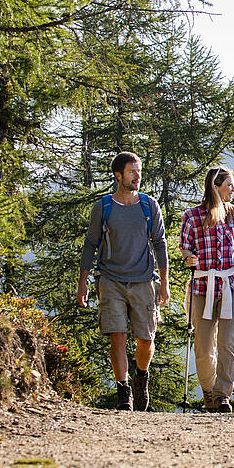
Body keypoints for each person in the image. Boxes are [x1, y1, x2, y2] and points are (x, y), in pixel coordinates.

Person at [78, 152, 170, 411]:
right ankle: (123, 391)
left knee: (146, 338)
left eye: (139, 171)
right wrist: (83, 282)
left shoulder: (149, 206)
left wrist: (164, 282)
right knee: (117, 336)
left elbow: (160, 243)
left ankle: (141, 377)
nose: (137, 176)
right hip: (111, 280)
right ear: (118, 175)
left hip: (143, 280)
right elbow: (90, 244)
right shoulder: (103, 207)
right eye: (132, 171)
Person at [180, 166, 234, 413]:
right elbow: (184, 246)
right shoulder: (192, 216)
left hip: (230, 284)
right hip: (203, 286)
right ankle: (209, 390)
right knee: (203, 346)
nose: (233, 189)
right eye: (229, 185)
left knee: (228, 343)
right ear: (215, 187)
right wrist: (189, 257)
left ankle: (223, 395)